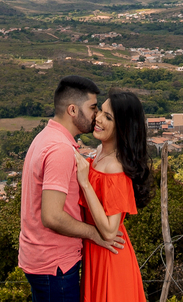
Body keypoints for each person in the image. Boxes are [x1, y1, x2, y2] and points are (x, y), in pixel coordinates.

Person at [20, 76, 126, 302]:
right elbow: (52, 216)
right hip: (55, 263)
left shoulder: (46, 137)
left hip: (42, 259)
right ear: (72, 110)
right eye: (92, 108)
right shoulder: (60, 150)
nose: (96, 115)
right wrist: (94, 235)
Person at [75, 88, 152, 302]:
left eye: (108, 117)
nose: (98, 118)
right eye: (100, 111)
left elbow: (109, 231)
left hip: (109, 256)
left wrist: (85, 183)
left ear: (123, 127)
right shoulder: (100, 152)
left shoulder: (116, 167)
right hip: (96, 251)